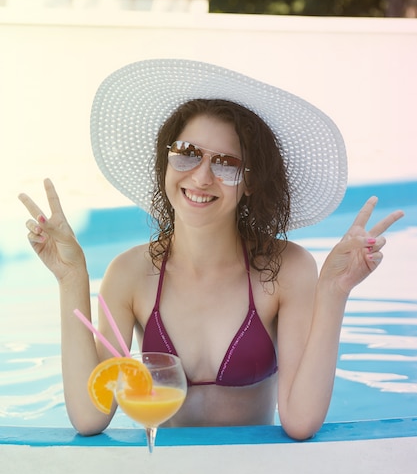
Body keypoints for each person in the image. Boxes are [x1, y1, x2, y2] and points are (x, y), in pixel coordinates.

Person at [19, 59, 404, 440]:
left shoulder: (286, 269)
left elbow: (300, 422)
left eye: (226, 163)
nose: (201, 177)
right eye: (187, 152)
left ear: (250, 182)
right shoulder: (129, 274)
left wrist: (335, 293)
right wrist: (71, 279)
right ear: (166, 162)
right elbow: (91, 416)